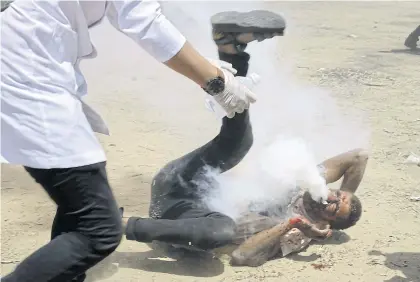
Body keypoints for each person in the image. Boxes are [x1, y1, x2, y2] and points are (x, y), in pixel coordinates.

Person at [0, 2, 276, 282]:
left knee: (82, 221)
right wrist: (216, 81)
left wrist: (216, 75)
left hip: (27, 62)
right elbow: (142, 20)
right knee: (97, 230)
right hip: (27, 72)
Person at [121, 11, 366, 266]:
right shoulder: (309, 183)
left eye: (335, 207)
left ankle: (120, 226)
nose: (332, 198)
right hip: (178, 181)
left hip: (182, 219)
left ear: (326, 222)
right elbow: (359, 156)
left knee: (222, 230)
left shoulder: (298, 232)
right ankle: (231, 51)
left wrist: (294, 223)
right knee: (240, 141)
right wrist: (346, 195)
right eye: (338, 195)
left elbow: (241, 257)